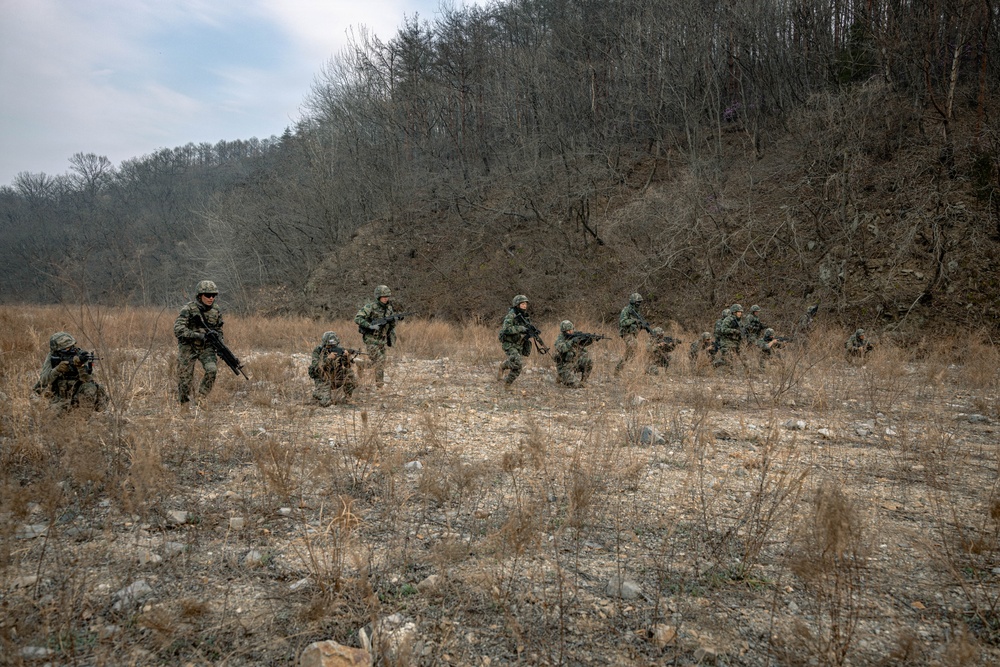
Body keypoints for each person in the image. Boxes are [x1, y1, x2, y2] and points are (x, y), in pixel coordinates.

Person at [174, 280, 224, 404]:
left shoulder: (216, 310)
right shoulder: (188, 309)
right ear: (200, 295)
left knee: (212, 370)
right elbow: (178, 329)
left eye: (213, 295)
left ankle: (201, 397)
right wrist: (198, 335)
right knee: (184, 378)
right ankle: (184, 405)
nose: (211, 298)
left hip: (206, 347)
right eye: (208, 295)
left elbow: (219, 329)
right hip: (188, 346)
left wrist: (220, 343)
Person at [33, 331, 107, 411]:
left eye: (71, 346)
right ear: (57, 350)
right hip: (59, 397)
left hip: (77, 395)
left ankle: (84, 414)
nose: (70, 349)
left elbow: (89, 380)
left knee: (90, 388)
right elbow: (43, 381)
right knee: (52, 414)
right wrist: (57, 370)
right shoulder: (52, 356)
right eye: (66, 348)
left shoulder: (80, 355)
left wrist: (80, 367)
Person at [354, 285, 400, 389]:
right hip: (371, 339)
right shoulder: (370, 307)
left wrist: (393, 320)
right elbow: (358, 318)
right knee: (379, 361)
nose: (386, 299)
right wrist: (370, 326)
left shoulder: (389, 309)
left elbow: (392, 326)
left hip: (382, 339)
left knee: (380, 362)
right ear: (378, 297)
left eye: (387, 296)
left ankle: (361, 365)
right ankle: (380, 386)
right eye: (383, 297)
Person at [308, 332, 359, 406]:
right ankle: (317, 393)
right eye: (329, 346)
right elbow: (316, 367)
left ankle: (348, 398)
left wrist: (346, 357)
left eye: (334, 345)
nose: (332, 347)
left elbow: (347, 366)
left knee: (349, 373)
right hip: (323, 379)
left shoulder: (339, 349)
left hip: (336, 377)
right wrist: (328, 359)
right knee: (325, 403)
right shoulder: (318, 351)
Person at [497, 294, 537, 387]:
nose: (524, 306)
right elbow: (506, 329)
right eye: (522, 304)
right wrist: (521, 328)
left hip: (519, 344)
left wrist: (530, 332)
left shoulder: (525, 316)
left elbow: (525, 330)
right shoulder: (511, 315)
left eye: (525, 304)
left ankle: (507, 384)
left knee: (518, 367)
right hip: (509, 344)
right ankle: (503, 366)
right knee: (518, 362)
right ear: (517, 305)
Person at [553, 320, 594, 388]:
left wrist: (589, 340)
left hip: (574, 363)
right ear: (563, 332)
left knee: (589, 361)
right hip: (564, 366)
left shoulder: (575, 336)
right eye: (568, 331)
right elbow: (563, 348)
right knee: (574, 385)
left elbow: (583, 346)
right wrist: (572, 341)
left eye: (571, 330)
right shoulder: (560, 340)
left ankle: (583, 381)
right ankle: (561, 376)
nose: (570, 332)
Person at [615, 292, 646, 374]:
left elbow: (637, 324)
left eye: (640, 302)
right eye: (638, 302)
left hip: (633, 334)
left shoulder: (637, 311)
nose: (639, 304)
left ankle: (619, 368)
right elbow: (623, 322)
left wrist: (642, 325)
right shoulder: (626, 310)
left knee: (631, 352)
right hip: (626, 333)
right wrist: (634, 321)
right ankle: (620, 369)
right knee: (632, 346)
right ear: (633, 301)